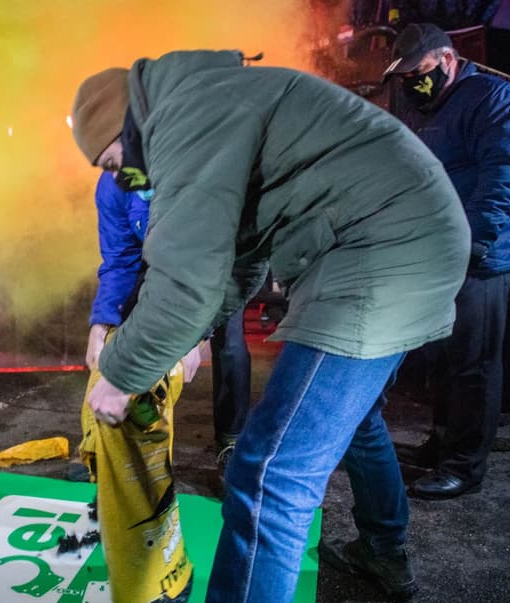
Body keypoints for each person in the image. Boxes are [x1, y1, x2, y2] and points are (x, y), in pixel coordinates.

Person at [70, 50, 469, 601]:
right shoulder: (208, 102)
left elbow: (186, 273)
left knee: (268, 475)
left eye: (114, 163)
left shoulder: (187, 115)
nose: (119, 179)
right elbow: (242, 261)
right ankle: (382, 546)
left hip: (376, 253)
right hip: (407, 240)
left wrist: (120, 373)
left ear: (126, 128)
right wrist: (188, 339)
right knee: (351, 420)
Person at [383, 23, 510, 499]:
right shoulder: (414, 106)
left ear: (448, 59)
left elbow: (505, 175)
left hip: (480, 259)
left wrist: (469, 244)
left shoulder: (495, 99)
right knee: (442, 361)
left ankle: (465, 465)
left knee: (474, 365)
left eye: (419, 71)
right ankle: (443, 442)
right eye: (404, 75)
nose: (412, 82)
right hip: (431, 255)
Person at [83, 171, 252, 470]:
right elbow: (119, 260)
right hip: (158, 260)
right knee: (122, 330)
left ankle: (232, 441)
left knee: (230, 341)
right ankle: (116, 447)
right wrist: (102, 323)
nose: (114, 169)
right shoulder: (112, 183)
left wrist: (195, 338)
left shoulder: (195, 169)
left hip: (217, 262)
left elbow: (214, 259)